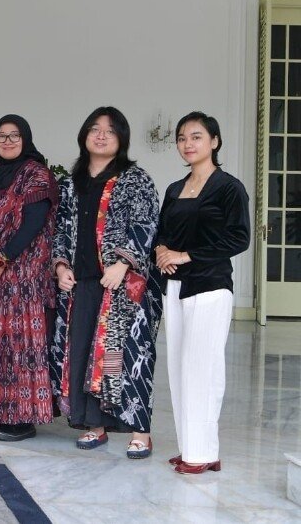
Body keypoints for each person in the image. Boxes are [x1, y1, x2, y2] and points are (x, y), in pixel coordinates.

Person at [50, 107, 162, 459]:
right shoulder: (71, 183)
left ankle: (140, 431)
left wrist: (123, 263)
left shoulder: (135, 179)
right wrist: (61, 266)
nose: (101, 136)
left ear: (121, 139)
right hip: (82, 284)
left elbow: (146, 224)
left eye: (110, 131)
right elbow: (60, 230)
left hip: (121, 289)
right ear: (84, 135)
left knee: (123, 358)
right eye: (95, 129)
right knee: (85, 356)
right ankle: (95, 425)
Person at [155, 111, 250, 474]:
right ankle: (193, 448)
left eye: (196, 136)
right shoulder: (174, 189)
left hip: (210, 285)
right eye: (181, 138)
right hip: (176, 287)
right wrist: (162, 251)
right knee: (179, 368)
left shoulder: (229, 188)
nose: (187, 144)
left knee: (203, 368)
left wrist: (185, 255)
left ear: (214, 141)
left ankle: (202, 452)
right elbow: (162, 232)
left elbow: (239, 238)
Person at [0, 114, 58, 442]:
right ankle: (1, 412)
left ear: (26, 138)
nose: (7, 141)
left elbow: (33, 224)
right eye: (1, 136)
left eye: (14, 135)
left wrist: (3, 257)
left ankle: (23, 419)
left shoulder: (36, 175)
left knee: (22, 347)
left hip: (25, 277)